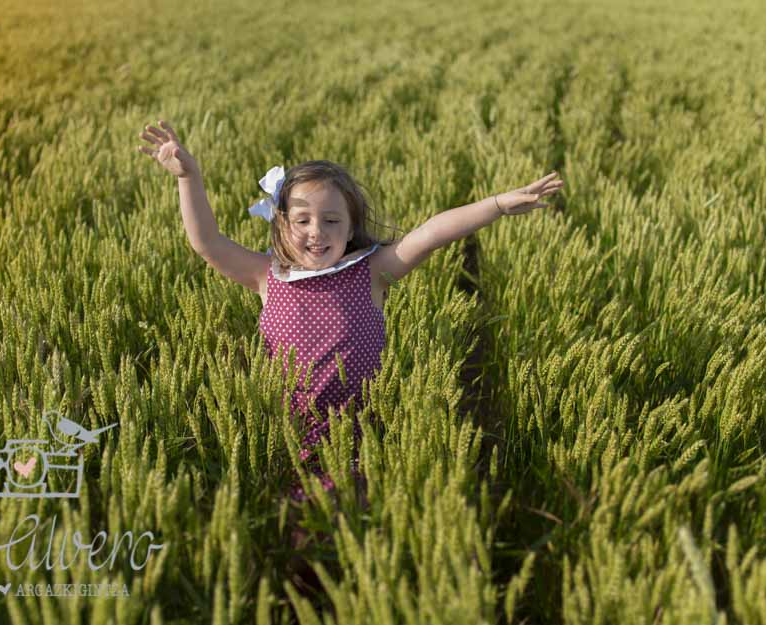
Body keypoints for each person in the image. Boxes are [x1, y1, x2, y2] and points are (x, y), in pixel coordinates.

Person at [136, 118, 564, 543]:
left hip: (362, 432)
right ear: (281, 222)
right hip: (287, 434)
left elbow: (431, 233)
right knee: (299, 532)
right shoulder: (266, 276)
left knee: (355, 531)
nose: (316, 232)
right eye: (302, 220)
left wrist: (497, 205)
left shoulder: (372, 271)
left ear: (352, 225)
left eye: (332, 221)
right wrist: (188, 179)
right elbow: (206, 242)